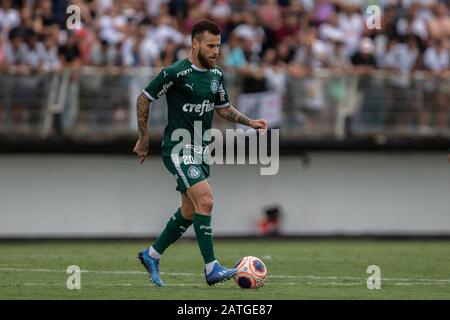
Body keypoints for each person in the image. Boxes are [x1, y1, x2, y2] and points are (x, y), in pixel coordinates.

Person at [132, 20, 268, 287]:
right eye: (210, 46)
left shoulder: (216, 76)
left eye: (218, 46)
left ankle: (151, 255)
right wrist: (144, 138)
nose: (216, 51)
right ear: (195, 44)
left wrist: (249, 121)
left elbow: (223, 109)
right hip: (178, 148)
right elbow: (144, 97)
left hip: (201, 150)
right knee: (205, 200)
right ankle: (211, 267)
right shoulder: (176, 73)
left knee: (190, 211)